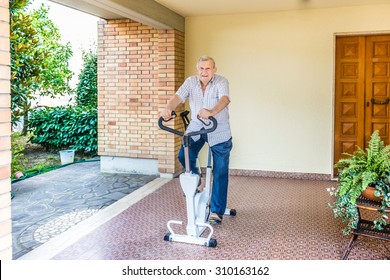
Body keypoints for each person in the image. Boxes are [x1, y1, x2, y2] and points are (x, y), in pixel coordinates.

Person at [161, 55, 233, 224]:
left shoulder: (221, 82)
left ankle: (217, 210)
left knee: (220, 170)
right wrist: (167, 109)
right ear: (197, 70)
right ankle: (195, 178)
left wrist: (211, 111)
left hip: (219, 130)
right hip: (196, 128)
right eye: (201, 68)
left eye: (208, 68)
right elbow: (178, 97)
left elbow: (225, 99)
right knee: (183, 155)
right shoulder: (191, 82)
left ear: (214, 70)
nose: (204, 72)